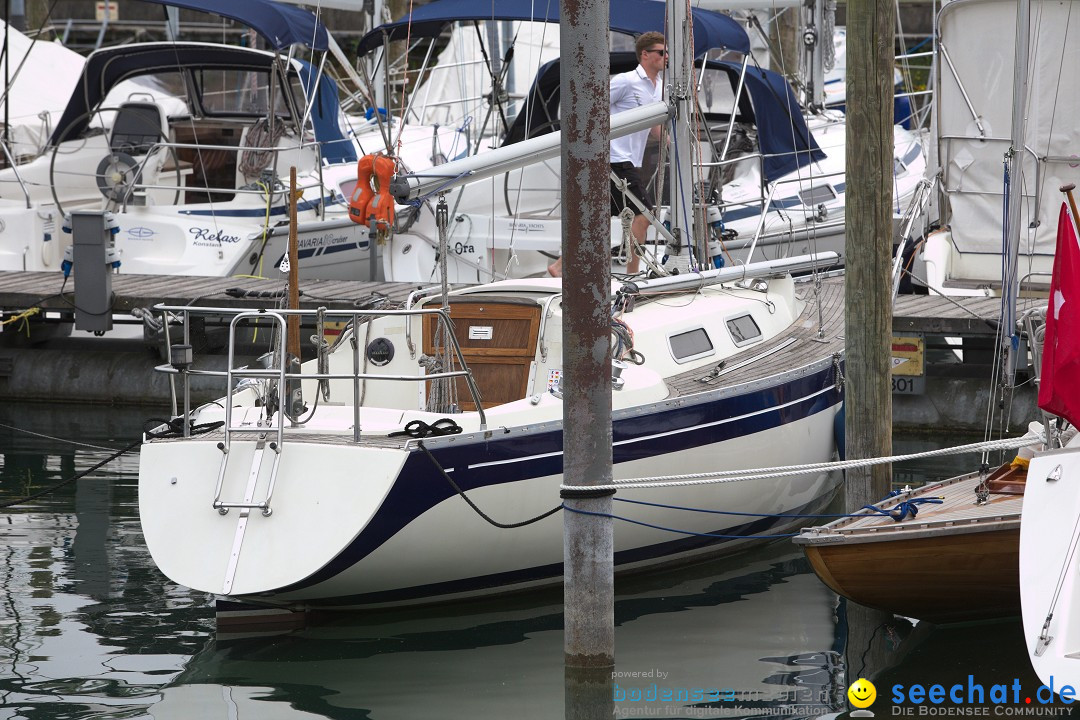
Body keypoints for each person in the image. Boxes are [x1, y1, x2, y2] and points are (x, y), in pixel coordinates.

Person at [548, 31, 666, 277]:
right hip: (613, 159)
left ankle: (559, 267)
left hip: (628, 161)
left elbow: (655, 128)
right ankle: (633, 276)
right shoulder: (626, 81)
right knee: (644, 214)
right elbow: (591, 107)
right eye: (661, 53)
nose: (667, 57)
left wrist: (673, 141)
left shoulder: (659, 88)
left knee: (596, 220)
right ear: (645, 55)